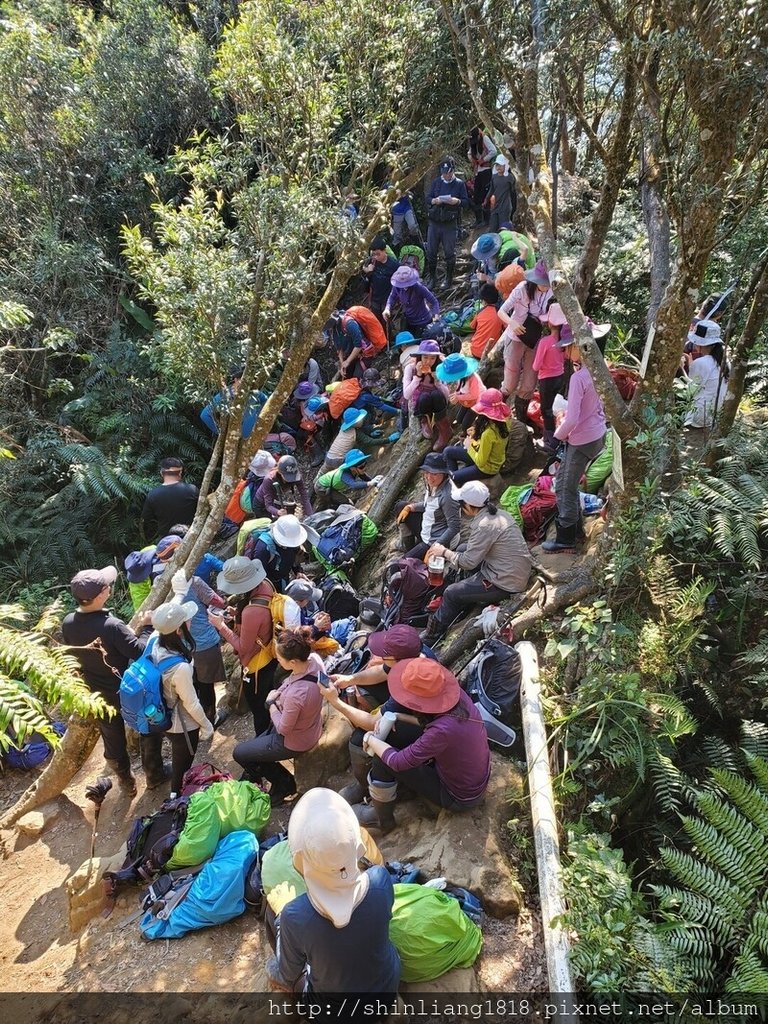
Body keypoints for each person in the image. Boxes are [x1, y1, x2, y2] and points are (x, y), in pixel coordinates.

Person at [321, 659, 490, 833]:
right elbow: (431, 724)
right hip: (467, 775)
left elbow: (397, 761)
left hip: (458, 796)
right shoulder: (455, 698)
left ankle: (381, 819)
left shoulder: (442, 731)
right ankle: (396, 790)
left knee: (383, 757)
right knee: (393, 735)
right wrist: (399, 716)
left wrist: (371, 740)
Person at [265, 788, 400, 1007]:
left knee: (276, 961)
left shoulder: (294, 915)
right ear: (356, 847)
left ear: (300, 861)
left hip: (335, 1012)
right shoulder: (380, 879)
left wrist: (283, 918)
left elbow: (287, 974)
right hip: (387, 987)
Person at [61, 565, 166, 794]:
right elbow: (138, 651)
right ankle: (154, 774)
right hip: (128, 690)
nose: (110, 587)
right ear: (100, 595)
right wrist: (147, 627)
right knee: (147, 726)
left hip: (97, 695)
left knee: (112, 738)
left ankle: (126, 783)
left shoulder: (68, 623)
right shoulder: (112, 626)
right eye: (107, 586)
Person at [422, 480, 533, 641]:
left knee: (451, 592)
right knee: (461, 549)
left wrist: (444, 551)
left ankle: (432, 634)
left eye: (461, 504)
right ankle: (457, 597)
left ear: (468, 506)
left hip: (505, 582)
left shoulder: (483, 525)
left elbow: (468, 563)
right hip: (512, 568)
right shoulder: (500, 514)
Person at [232, 628, 324, 806]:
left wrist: (271, 704)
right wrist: (279, 692)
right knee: (256, 744)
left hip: (295, 740)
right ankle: (262, 774)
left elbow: (283, 728)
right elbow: (290, 680)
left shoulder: (298, 694)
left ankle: (284, 783)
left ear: (293, 661)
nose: (278, 659)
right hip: (310, 725)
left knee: (240, 754)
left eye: (280, 658)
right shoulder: (314, 661)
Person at [209, 557, 299, 735]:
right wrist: (237, 616)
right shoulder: (265, 585)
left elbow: (243, 647)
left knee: (259, 709)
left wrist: (221, 626)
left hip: (257, 667)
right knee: (266, 699)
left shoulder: (252, 611)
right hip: (269, 654)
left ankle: (263, 742)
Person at [542, 329, 607, 552]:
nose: (565, 352)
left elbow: (572, 419)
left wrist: (555, 439)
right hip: (596, 433)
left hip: (581, 438)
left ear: (579, 347)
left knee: (563, 487)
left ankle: (566, 537)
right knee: (566, 481)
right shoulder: (599, 369)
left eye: (568, 347)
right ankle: (576, 528)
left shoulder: (579, 377)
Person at [148, 601, 214, 795]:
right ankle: (177, 798)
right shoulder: (180, 668)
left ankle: (178, 794)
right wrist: (207, 725)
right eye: (186, 620)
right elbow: (191, 703)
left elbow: (166, 614)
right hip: (182, 725)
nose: (190, 621)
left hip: (164, 716)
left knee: (180, 760)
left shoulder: (155, 642)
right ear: (178, 629)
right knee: (182, 765)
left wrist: (179, 591)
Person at [497, 259, 553, 424]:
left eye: (547, 284)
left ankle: (520, 419)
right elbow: (501, 311)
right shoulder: (521, 289)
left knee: (529, 382)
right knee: (510, 382)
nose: (545, 287)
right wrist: (512, 323)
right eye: (542, 284)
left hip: (533, 339)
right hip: (515, 337)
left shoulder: (550, 292)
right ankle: (496, 412)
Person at [168, 570, 227, 724]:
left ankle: (196, 721)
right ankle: (210, 720)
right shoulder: (195, 582)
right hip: (204, 643)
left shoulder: (162, 584)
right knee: (207, 686)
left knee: (192, 687)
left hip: (181, 647)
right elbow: (218, 601)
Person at [395, 452, 461, 560]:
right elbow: (429, 505)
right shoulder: (432, 484)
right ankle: (409, 547)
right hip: (428, 528)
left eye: (434, 474)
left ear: (443, 473)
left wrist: (434, 548)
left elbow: (454, 527)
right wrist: (411, 507)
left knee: (399, 566)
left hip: (436, 539)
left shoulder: (448, 496)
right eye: (427, 472)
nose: (429, 477)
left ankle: (415, 552)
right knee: (401, 506)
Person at [443, 388, 511, 483]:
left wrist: (469, 444)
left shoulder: (489, 434)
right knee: (448, 451)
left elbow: (480, 462)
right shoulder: (504, 421)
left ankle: (456, 481)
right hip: (491, 457)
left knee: (453, 477)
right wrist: (476, 432)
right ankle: (459, 479)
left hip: (487, 468)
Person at [425, 158, 470, 289]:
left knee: (449, 252)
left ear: (452, 171)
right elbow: (428, 198)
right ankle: (432, 279)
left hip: (449, 223)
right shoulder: (436, 183)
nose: (446, 175)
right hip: (434, 222)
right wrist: (434, 201)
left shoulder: (459, 184)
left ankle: (448, 279)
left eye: (448, 172)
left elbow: (466, 202)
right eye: (444, 173)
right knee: (431, 251)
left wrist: (457, 201)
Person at [402, 338, 452, 451]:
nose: (428, 362)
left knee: (436, 394)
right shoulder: (410, 368)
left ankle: (445, 430)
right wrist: (417, 377)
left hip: (437, 401)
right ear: (420, 357)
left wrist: (437, 381)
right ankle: (424, 420)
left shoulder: (439, 368)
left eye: (432, 358)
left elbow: (446, 396)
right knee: (424, 396)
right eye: (425, 357)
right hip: (421, 402)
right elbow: (406, 395)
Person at [533, 302, 567, 453]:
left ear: (550, 322)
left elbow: (536, 366)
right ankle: (559, 436)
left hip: (546, 380)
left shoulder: (545, 342)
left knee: (547, 410)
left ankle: (550, 441)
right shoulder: (564, 342)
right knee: (557, 407)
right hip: (560, 377)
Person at [681, 319, 727, 430]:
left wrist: (683, 368)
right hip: (717, 413)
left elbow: (691, 391)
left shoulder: (701, 363)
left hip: (700, 416)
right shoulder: (725, 361)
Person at [200, 365, 265, 440]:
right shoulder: (225, 395)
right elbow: (205, 415)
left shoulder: (253, 392)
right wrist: (221, 433)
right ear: (236, 379)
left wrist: (260, 418)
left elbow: (266, 401)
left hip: (254, 439)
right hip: (235, 443)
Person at [140, 457, 199, 539]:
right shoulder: (192, 490)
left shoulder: (152, 495)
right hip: (191, 537)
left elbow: (146, 518)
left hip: (167, 541)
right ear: (180, 472)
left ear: (161, 473)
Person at [249, 515, 309, 592]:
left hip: (283, 578)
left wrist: (299, 571)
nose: (290, 545)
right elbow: (259, 575)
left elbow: (292, 555)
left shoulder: (291, 539)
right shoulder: (263, 548)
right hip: (270, 585)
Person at [314, 449, 382, 511]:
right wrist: (369, 483)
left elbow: (363, 476)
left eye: (365, 464)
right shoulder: (345, 474)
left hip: (329, 484)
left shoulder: (355, 470)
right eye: (361, 467)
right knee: (344, 501)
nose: (364, 468)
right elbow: (354, 485)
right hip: (322, 487)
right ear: (352, 468)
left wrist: (373, 481)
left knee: (326, 501)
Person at [382, 265, 440, 338]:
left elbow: (434, 301)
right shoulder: (397, 286)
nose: (403, 286)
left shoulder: (419, 288)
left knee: (419, 342)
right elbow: (392, 297)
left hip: (422, 320)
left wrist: (436, 315)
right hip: (409, 319)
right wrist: (387, 308)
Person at [436, 352, 487, 433]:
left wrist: (458, 397)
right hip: (467, 400)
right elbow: (460, 386)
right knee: (459, 418)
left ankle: (469, 434)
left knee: (465, 424)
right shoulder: (461, 376)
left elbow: (474, 395)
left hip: (477, 401)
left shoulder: (473, 379)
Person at [252, 455, 312, 520]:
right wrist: (278, 512)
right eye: (289, 477)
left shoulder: (295, 475)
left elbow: (304, 496)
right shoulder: (269, 479)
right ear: (280, 472)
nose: (292, 479)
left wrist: (311, 517)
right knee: (268, 522)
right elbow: (268, 505)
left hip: (276, 500)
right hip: (261, 503)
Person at [363, 237, 399, 323]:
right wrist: (368, 270)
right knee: (376, 321)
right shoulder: (372, 261)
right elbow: (364, 269)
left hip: (387, 299)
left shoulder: (394, 265)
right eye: (374, 254)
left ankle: (388, 336)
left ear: (384, 251)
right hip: (375, 298)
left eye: (378, 254)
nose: (376, 257)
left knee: (386, 322)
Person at [467, 126, 498, 226]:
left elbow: (493, 151)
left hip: (486, 171)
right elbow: (469, 153)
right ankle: (478, 219)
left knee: (486, 195)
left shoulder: (485, 138)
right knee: (476, 195)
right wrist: (472, 160)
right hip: (478, 172)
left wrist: (484, 160)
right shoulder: (473, 141)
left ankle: (486, 219)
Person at [468, 283, 504, 360]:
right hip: (491, 353)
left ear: (483, 301)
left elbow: (472, 327)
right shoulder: (501, 313)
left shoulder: (480, 312)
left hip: (475, 351)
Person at [486, 153, 516, 231]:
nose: (498, 167)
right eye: (497, 165)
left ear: (505, 165)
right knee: (493, 227)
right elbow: (491, 189)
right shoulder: (494, 177)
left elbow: (513, 191)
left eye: (500, 165)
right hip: (495, 206)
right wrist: (486, 199)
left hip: (505, 206)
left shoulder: (509, 177)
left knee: (504, 228)